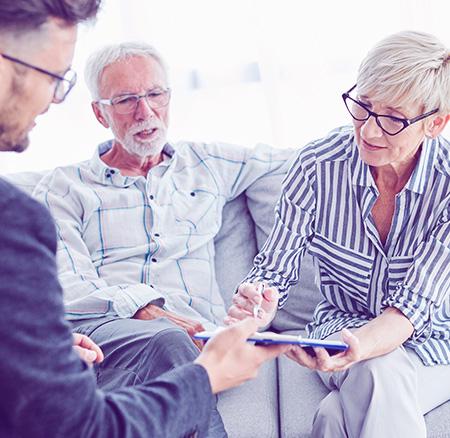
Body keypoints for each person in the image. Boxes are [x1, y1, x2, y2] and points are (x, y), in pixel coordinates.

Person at [0, 2, 291, 437]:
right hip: (111, 330)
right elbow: (68, 280)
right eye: (126, 100)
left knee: (164, 354)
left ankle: (100, 402)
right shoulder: (61, 189)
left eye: (155, 95)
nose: (146, 112)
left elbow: (301, 161)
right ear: (100, 113)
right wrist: (146, 308)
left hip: (191, 340)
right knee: (169, 342)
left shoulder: (209, 163)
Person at [228, 30, 450, 438]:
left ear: (435, 124)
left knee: (338, 414)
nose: (368, 131)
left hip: (435, 346)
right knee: (378, 370)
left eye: (393, 119)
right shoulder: (316, 165)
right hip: (337, 331)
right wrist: (259, 300)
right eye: (363, 107)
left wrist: (361, 349)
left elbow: (410, 312)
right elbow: (273, 269)